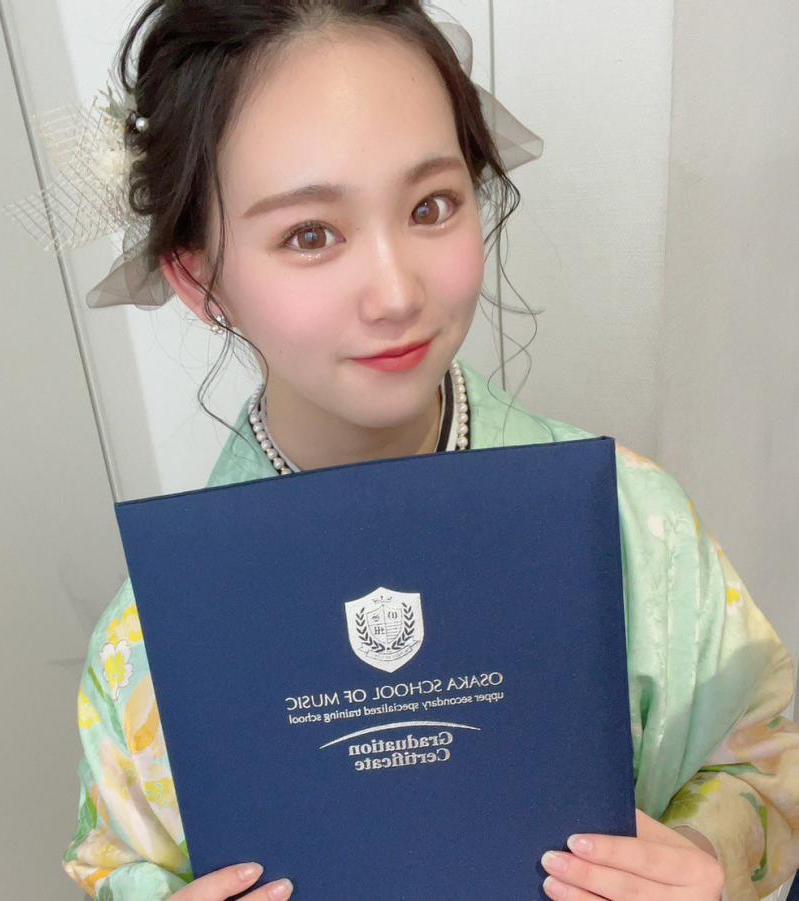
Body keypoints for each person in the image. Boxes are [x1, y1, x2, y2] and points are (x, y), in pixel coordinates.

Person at [58, 2, 799, 899]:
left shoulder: (636, 523)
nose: (397, 292)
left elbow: (766, 760)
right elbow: (119, 863)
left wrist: (707, 861)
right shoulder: (147, 639)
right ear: (197, 273)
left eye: (431, 206)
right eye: (310, 234)